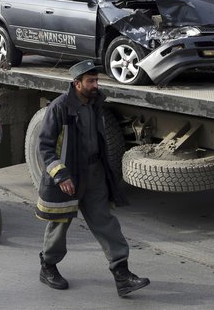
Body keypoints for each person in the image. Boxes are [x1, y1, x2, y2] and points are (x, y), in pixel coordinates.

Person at [35, 60, 149, 297]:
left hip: (94, 173)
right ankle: (48, 266)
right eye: (91, 81)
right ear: (77, 84)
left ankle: (122, 275)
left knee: (105, 222)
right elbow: (45, 146)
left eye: (97, 80)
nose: (96, 85)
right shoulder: (59, 107)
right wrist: (61, 175)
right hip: (68, 177)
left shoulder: (96, 103)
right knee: (59, 224)